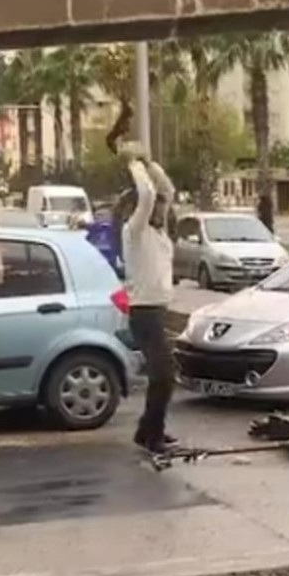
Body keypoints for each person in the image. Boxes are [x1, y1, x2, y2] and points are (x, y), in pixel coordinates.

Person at [121, 147, 179, 453]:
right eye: (155, 207)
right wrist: (133, 164)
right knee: (164, 377)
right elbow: (147, 193)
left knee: (162, 377)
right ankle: (152, 434)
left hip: (159, 311)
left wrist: (150, 163)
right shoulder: (135, 231)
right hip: (144, 313)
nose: (160, 208)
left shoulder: (159, 234)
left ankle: (147, 430)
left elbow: (166, 190)